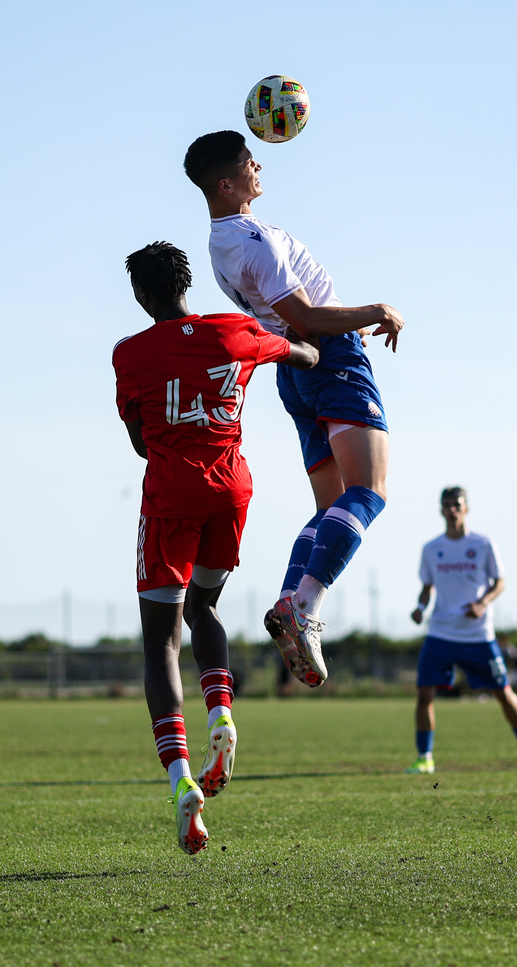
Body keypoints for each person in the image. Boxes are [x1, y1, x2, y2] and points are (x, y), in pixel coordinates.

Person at [113, 241, 318, 854]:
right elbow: (302, 352)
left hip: (170, 500)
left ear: (141, 295)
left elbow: (139, 443)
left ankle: (181, 783)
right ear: (188, 283)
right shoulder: (235, 331)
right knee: (204, 609)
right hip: (230, 494)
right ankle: (222, 714)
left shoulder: (130, 353)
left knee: (161, 642)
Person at [184, 130, 405, 688]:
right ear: (227, 183)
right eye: (248, 162)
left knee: (330, 505)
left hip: (295, 370)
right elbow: (307, 317)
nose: (260, 164)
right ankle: (303, 605)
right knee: (369, 491)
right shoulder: (252, 237)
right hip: (328, 357)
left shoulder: (219, 242)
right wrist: (373, 311)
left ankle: (290, 598)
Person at [406, 487, 517, 775]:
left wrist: (483, 603)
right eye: (446, 505)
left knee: (503, 693)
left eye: (457, 504)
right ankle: (425, 757)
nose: (452, 510)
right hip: (441, 633)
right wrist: (420, 608)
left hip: (477, 635)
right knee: (424, 694)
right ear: (441, 510)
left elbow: (500, 582)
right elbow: (427, 588)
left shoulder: (483, 544)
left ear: (466, 508)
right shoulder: (431, 549)